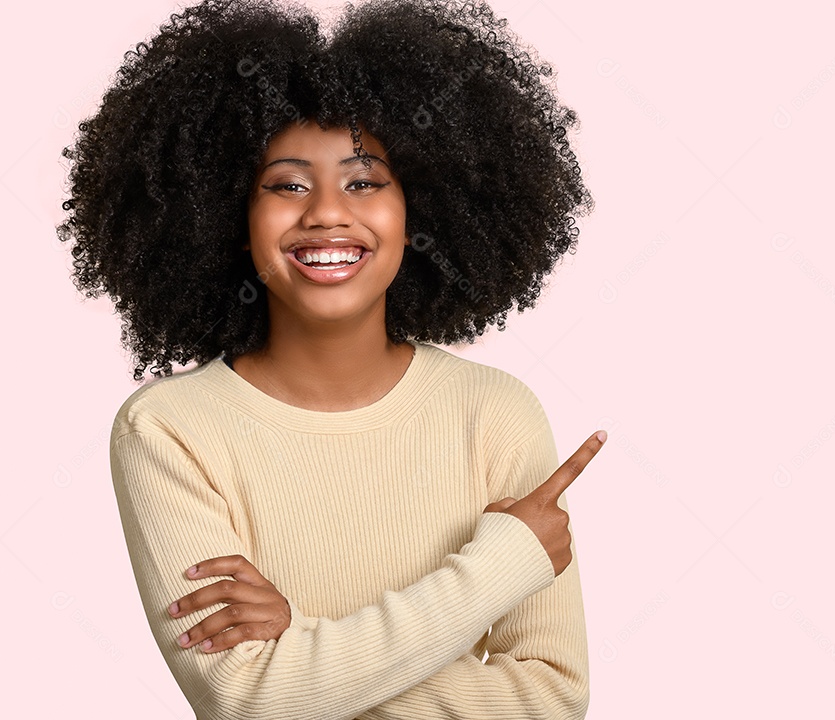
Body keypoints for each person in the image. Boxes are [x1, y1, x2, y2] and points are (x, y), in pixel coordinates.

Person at [56, 0, 601, 717]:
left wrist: (300, 648)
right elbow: (249, 699)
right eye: (286, 184)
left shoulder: (495, 415)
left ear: (422, 208)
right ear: (227, 215)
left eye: (364, 181)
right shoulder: (168, 430)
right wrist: (503, 566)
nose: (325, 213)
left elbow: (552, 697)